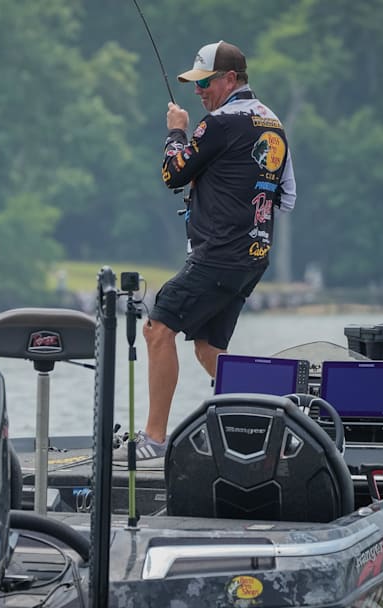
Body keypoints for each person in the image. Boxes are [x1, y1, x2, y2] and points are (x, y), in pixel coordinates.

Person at [115, 40, 296, 462]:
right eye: (196, 85)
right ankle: (285, 422)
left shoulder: (218, 125)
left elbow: (172, 172)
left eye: (206, 83)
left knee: (158, 329)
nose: (199, 92)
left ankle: (154, 438)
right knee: (208, 349)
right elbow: (285, 197)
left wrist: (177, 130)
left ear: (231, 79)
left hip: (218, 254)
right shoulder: (272, 124)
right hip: (253, 255)